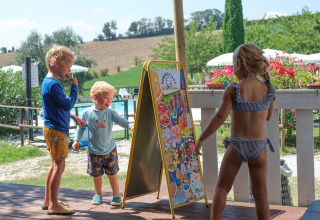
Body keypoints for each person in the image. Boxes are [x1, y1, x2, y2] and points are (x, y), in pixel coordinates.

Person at [195, 43, 275, 220]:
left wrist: (201, 139)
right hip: (259, 147)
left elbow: (219, 118)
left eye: (233, 64)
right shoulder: (268, 90)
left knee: (222, 188)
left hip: (237, 146)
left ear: (239, 64)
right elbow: (268, 116)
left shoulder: (233, 89)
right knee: (261, 192)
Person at [72, 81, 134, 206]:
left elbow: (121, 121)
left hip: (110, 150)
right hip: (94, 151)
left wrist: (130, 125)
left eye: (110, 99)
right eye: (106, 98)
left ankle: (116, 196)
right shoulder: (87, 113)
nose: (109, 102)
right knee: (97, 176)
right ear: (95, 97)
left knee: (113, 175)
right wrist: (76, 140)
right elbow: (81, 127)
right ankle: (98, 194)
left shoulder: (110, 113)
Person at [41, 45, 86, 215]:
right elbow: (67, 104)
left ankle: (48, 200)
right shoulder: (53, 85)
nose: (69, 70)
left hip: (52, 129)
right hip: (57, 132)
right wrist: (74, 87)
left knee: (54, 165)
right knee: (59, 167)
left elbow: (57, 109)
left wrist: (74, 118)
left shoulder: (48, 82)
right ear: (55, 62)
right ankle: (54, 205)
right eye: (67, 66)